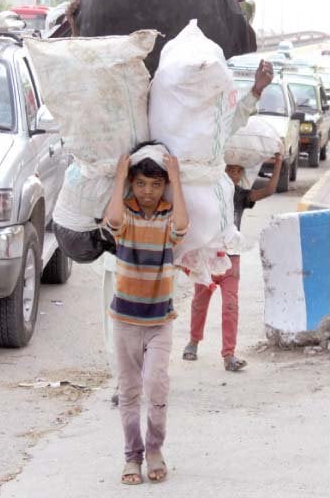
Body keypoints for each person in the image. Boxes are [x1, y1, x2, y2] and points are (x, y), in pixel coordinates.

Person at [182, 59, 276, 372]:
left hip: (231, 250)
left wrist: (257, 91)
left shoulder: (236, 189)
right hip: (208, 250)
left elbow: (237, 118)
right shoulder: (200, 167)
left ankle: (228, 354)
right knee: (200, 300)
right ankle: (193, 341)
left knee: (231, 305)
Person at [103, 141, 188, 485]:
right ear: (131, 186)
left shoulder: (168, 216)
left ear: (164, 186)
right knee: (129, 391)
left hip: (159, 323)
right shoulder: (127, 215)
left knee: (156, 386)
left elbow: (183, 225)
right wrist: (120, 176)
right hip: (124, 321)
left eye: (156, 185)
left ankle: (154, 449)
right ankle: (132, 456)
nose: (148, 192)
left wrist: (177, 180)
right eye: (141, 184)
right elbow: (110, 219)